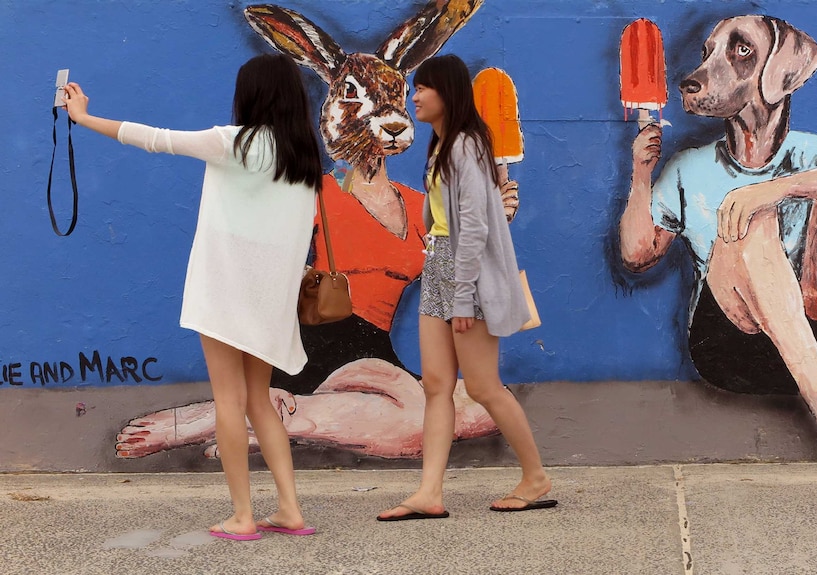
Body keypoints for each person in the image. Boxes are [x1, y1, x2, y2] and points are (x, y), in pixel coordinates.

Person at [62, 53, 323, 540]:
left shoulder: (233, 143)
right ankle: (290, 510)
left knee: (229, 400)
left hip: (224, 290)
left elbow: (154, 139)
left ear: (252, 95)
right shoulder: (305, 162)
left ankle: (243, 516)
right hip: (269, 300)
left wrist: (83, 117)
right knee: (259, 402)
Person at [377, 54, 556, 521]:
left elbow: (473, 227)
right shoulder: (441, 147)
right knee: (436, 385)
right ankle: (428, 493)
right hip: (438, 269)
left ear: (446, 92)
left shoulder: (465, 146)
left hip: (465, 279)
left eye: (422, 88)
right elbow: (441, 220)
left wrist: (461, 296)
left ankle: (535, 477)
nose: (413, 96)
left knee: (482, 386)